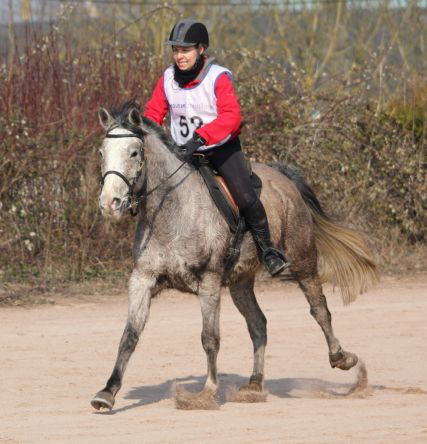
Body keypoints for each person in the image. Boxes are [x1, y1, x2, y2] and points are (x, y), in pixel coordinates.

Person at [143, 18, 290, 276]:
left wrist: (202, 137)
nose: (179, 56)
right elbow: (154, 114)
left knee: (244, 196)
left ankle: (269, 251)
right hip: (182, 152)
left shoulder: (217, 77)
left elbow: (232, 116)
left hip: (220, 149)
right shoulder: (167, 78)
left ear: (201, 50)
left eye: (185, 50)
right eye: (176, 50)